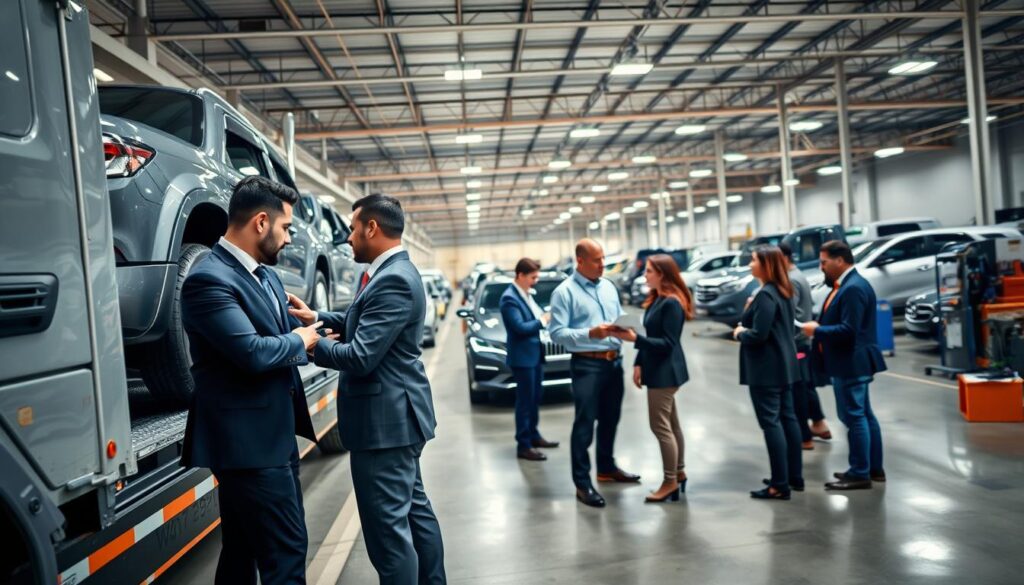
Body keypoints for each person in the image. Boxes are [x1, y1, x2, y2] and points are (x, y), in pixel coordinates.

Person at [289, 194, 446, 584]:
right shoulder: (392, 272)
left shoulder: (392, 279)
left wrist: (309, 342)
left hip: (384, 426)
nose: (349, 238)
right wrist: (320, 317)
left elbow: (361, 356)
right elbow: (366, 317)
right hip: (397, 419)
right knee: (414, 514)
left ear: (371, 228)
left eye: (353, 229)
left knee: (387, 538)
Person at [180, 176, 327, 585]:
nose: (289, 239)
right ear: (261, 222)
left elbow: (274, 335)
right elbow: (252, 352)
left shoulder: (265, 276)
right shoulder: (208, 279)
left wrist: (309, 326)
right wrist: (299, 339)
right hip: (249, 446)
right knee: (286, 553)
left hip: (270, 438)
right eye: (286, 228)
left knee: (242, 550)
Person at [549, 238, 640, 508]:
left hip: (614, 363)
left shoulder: (609, 287)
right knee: (585, 424)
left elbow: (619, 314)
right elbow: (556, 333)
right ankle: (582, 483)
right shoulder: (564, 292)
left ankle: (606, 468)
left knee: (611, 419)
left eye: (603, 259)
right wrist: (591, 332)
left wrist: (626, 330)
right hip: (587, 365)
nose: (603, 264)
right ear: (580, 261)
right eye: (597, 260)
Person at [802, 240, 887, 491]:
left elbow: (849, 330)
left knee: (854, 416)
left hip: (851, 362)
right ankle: (873, 468)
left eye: (824, 262)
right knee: (864, 415)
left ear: (840, 260)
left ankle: (860, 472)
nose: (821, 267)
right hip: (852, 361)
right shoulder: (847, 285)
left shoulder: (852, 288)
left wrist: (817, 331)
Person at [613, 254, 692, 503]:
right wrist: (638, 361)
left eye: (648, 271)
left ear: (662, 274)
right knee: (671, 424)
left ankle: (669, 481)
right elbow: (650, 334)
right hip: (657, 368)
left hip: (665, 371)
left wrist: (634, 340)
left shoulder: (671, 303)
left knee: (660, 427)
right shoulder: (657, 299)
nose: (644, 275)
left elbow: (668, 343)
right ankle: (678, 472)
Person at [732, 245, 803, 501]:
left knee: (771, 423)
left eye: (753, 260)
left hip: (766, 369)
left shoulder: (766, 295)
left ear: (766, 265)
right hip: (784, 365)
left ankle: (779, 484)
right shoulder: (783, 291)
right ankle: (793, 476)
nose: (750, 265)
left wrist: (740, 332)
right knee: (788, 418)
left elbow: (758, 335)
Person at [500, 258, 559, 462]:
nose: (535, 281)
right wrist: (543, 320)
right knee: (525, 402)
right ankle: (523, 445)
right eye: (533, 277)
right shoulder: (509, 299)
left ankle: (534, 435)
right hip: (523, 358)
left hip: (534, 355)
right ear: (520, 275)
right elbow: (520, 328)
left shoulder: (525, 294)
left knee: (535, 398)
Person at [778, 242, 832, 450]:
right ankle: (818, 423)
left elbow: (791, 316)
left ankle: (804, 436)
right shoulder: (797, 275)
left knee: (798, 389)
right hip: (802, 342)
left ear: (783, 258)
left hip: (796, 343)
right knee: (806, 386)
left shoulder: (790, 280)